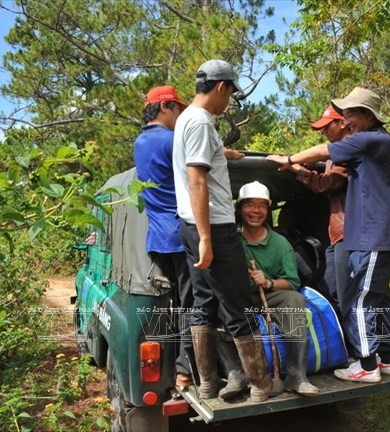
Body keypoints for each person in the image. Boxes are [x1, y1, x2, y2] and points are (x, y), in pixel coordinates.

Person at [267, 87, 390, 383]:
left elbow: (322, 156)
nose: (347, 121)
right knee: (375, 299)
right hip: (368, 236)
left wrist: (289, 160)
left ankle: (367, 364)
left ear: (367, 116)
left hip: (372, 236)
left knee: (358, 301)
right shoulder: (370, 145)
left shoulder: (369, 141)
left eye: (350, 115)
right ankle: (385, 359)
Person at [172, 59, 278, 402]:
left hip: (188, 223)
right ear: (221, 87)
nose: (229, 101)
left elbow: (201, 160)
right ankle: (261, 386)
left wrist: (223, 152)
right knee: (237, 303)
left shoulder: (187, 119)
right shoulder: (202, 123)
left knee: (203, 302)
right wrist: (207, 237)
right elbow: (197, 180)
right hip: (212, 227)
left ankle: (206, 383)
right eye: (230, 93)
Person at [133, 85, 194, 387]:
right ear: (165, 107)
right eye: (178, 109)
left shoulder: (141, 142)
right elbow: (202, 162)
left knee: (175, 306)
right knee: (193, 305)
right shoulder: (171, 140)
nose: (181, 114)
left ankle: (175, 368)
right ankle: (185, 370)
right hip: (180, 236)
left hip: (158, 239)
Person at [237, 181, 320, 397]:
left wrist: (268, 283)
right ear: (240, 208)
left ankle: (297, 376)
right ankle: (237, 375)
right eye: (250, 205)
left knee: (294, 299)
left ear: (268, 210)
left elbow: (292, 282)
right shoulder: (231, 240)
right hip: (238, 298)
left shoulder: (280, 243)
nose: (256, 211)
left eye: (262, 206)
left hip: (270, 295)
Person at [287, 106, 350, 315]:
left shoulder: (349, 151)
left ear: (342, 123)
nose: (324, 132)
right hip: (335, 236)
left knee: (350, 295)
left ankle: (366, 345)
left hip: (348, 234)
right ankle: (343, 339)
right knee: (333, 291)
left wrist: (295, 167)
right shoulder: (335, 156)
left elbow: (329, 184)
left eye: (327, 127)